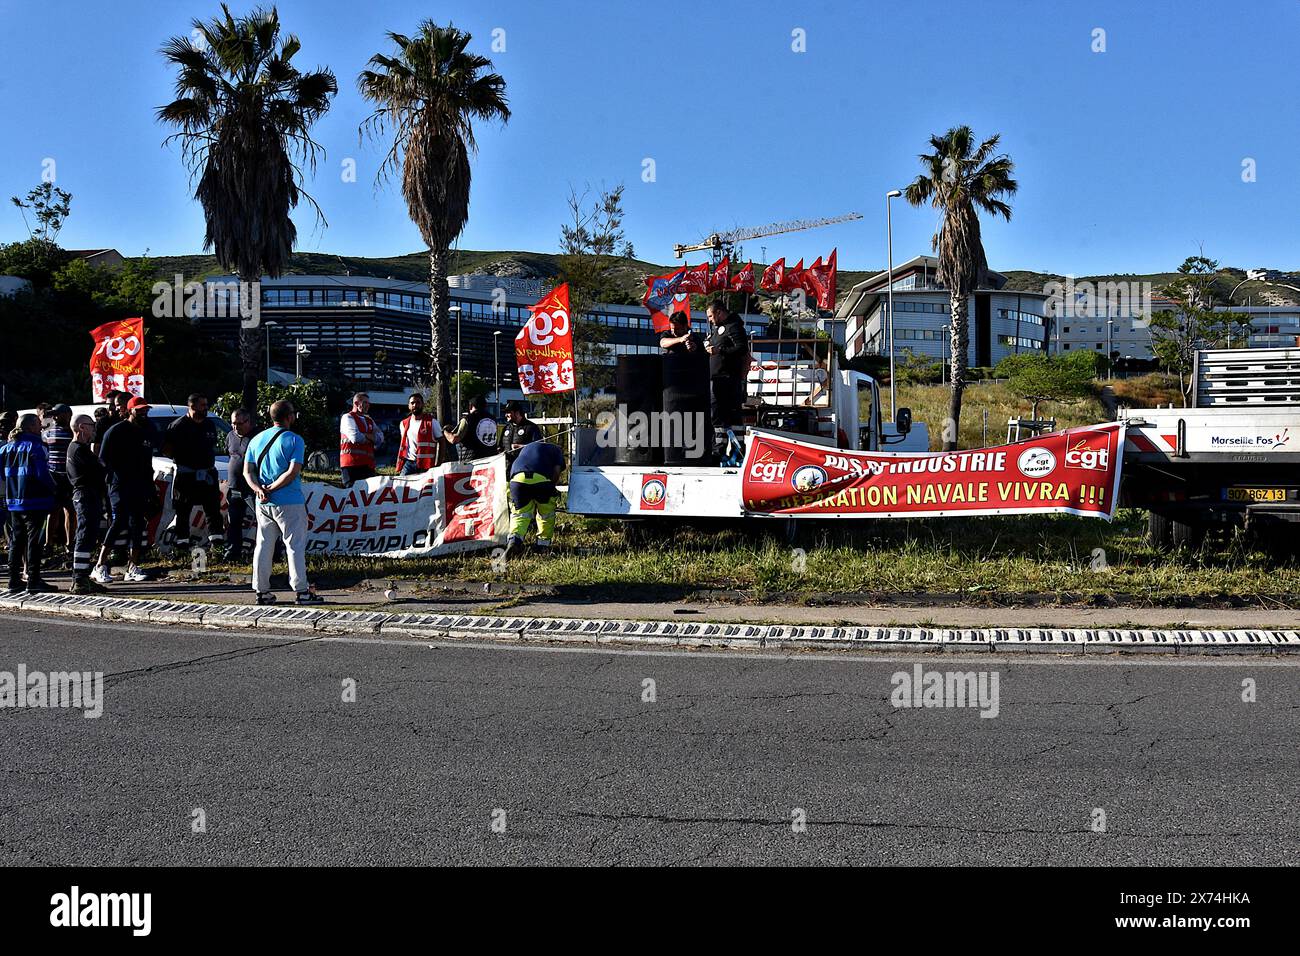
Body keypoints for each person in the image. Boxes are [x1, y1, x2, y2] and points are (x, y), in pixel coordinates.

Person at [245, 399, 322, 606]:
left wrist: (259, 489)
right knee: (294, 546)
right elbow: (292, 472)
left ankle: (261, 591)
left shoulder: (256, 440)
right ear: (289, 416)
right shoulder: (295, 440)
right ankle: (301, 591)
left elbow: (248, 472)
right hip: (289, 500)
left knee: (263, 545)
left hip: (263, 502)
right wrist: (273, 488)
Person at [94, 396, 155, 585]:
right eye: (140, 410)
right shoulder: (116, 431)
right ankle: (100, 565)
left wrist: (150, 487)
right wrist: (115, 477)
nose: (144, 413)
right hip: (119, 484)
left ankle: (132, 566)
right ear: (130, 411)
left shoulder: (148, 430)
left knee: (137, 524)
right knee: (119, 521)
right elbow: (103, 458)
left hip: (141, 485)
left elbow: (148, 459)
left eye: (146, 409)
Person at [1, 414, 57, 594]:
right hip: (36, 501)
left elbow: (2, 474)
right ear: (31, 427)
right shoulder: (37, 445)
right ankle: (33, 580)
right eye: (39, 424)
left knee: (17, 541)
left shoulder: (6, 448)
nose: (41, 428)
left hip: (13, 501)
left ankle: (13, 581)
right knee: (35, 541)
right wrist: (54, 489)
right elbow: (42, 474)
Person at [163, 392, 225, 552]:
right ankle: (182, 545)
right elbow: (167, 450)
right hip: (186, 476)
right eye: (203, 405)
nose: (206, 408)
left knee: (213, 511)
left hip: (208, 475)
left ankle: (217, 545)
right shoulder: (178, 426)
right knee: (183, 511)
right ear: (192, 406)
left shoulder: (209, 424)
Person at [66, 414, 106, 594]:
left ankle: (83, 576)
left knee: (89, 536)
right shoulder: (78, 450)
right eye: (91, 425)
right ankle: (79, 579)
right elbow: (98, 470)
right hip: (85, 494)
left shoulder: (79, 448)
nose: (93, 429)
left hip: (88, 494)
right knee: (84, 535)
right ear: (81, 427)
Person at [505, 439, 564, 559]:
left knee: (520, 514)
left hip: (517, 479)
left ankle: (514, 541)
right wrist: (551, 488)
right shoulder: (557, 450)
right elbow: (556, 473)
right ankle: (542, 545)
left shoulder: (528, 447)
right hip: (541, 479)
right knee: (546, 514)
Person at [704, 298, 751, 432]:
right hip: (716, 379)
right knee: (716, 414)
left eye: (711, 316)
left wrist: (720, 350)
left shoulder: (734, 326)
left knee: (729, 415)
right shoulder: (718, 329)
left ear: (719, 313)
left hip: (728, 379)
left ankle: (734, 447)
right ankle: (719, 447)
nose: (710, 320)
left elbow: (742, 348)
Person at [41, 403, 76, 561]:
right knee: (52, 511)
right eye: (53, 414)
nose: (54, 417)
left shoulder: (72, 431)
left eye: (57, 414)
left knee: (70, 511)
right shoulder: (47, 431)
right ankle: (48, 545)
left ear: (67, 415)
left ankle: (70, 544)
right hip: (53, 477)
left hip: (68, 477)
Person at [224, 407, 256, 562]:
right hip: (234, 487)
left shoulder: (257, 437)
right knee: (234, 521)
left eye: (239, 423)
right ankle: (232, 552)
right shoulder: (230, 435)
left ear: (248, 422)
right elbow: (230, 455)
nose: (236, 427)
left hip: (252, 487)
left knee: (264, 520)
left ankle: (273, 553)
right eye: (233, 423)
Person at [339, 392, 384, 487]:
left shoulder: (369, 420)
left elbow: (381, 438)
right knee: (351, 496)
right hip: (351, 466)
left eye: (368, 403)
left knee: (368, 497)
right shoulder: (347, 417)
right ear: (355, 403)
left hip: (368, 466)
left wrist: (365, 435)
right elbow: (355, 437)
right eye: (365, 403)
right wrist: (372, 437)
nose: (368, 405)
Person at [396, 392, 443, 476]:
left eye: (418, 402)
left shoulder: (432, 422)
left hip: (426, 465)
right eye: (412, 403)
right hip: (409, 463)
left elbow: (442, 442)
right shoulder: (403, 424)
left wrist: (438, 464)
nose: (415, 405)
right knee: (402, 486)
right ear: (409, 406)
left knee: (425, 489)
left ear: (423, 404)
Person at [446, 395, 499, 462]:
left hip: (472, 463)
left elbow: (454, 439)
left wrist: (445, 431)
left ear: (470, 406)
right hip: (491, 462)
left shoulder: (468, 419)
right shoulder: (493, 420)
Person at [499, 400, 542, 468]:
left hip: (523, 469)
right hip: (506, 470)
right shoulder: (506, 428)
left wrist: (521, 447)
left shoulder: (531, 427)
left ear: (517, 413)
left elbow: (538, 448)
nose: (506, 415)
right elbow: (500, 447)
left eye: (508, 412)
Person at [93, 390, 130, 454]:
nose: (110, 407)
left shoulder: (130, 420)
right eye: (107, 404)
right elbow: (97, 446)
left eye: (113, 404)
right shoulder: (102, 422)